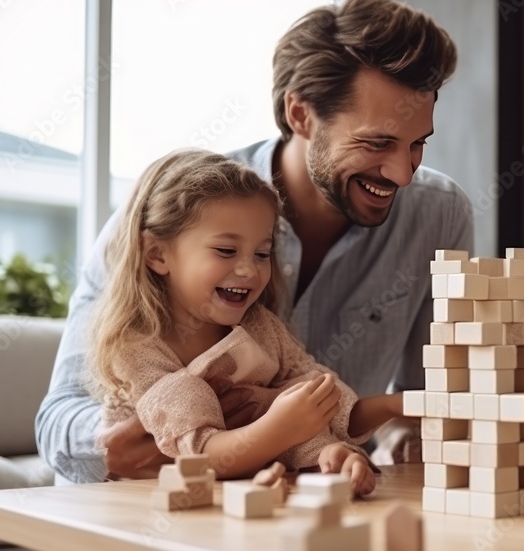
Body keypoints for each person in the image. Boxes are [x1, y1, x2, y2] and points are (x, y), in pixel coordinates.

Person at [36, 0, 471, 483]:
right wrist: (129, 438)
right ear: (300, 114)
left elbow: (421, 403)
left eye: (418, 145)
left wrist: (377, 439)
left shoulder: (439, 213)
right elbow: (56, 422)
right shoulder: (175, 210)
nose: (403, 173)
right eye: (377, 143)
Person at [89, 149, 401, 494]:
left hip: (238, 504)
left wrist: (341, 448)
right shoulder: (139, 348)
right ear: (157, 254)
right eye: (225, 250)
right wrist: (280, 426)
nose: (249, 270)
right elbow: (205, 458)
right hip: (147, 512)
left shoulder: (262, 330)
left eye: (262, 253)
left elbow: (321, 400)